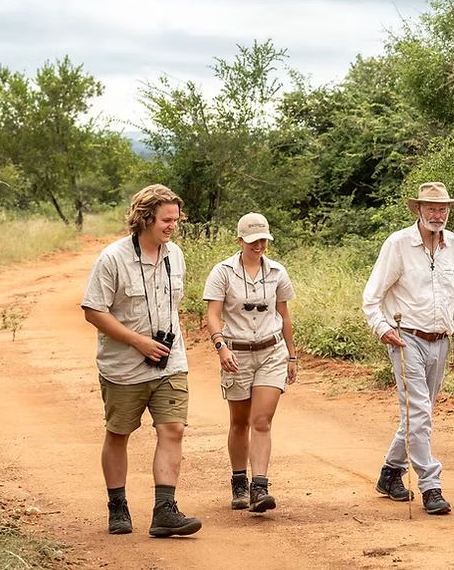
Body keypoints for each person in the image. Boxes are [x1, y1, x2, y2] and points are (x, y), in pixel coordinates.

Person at [80, 184, 202, 538]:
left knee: (173, 429)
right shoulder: (112, 258)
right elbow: (93, 311)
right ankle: (117, 505)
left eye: (176, 220)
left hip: (170, 361)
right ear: (146, 218)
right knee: (119, 433)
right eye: (166, 220)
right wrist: (138, 342)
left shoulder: (174, 255)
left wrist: (160, 345)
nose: (172, 227)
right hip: (123, 367)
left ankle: (165, 510)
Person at [362, 182, 454, 516]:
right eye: (431, 209)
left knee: (418, 414)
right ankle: (430, 485)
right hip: (406, 338)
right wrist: (382, 329)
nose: (438, 215)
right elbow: (371, 296)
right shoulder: (399, 244)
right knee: (419, 413)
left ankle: (390, 472)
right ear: (419, 211)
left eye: (443, 209)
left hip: (441, 339)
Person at [204, 213, 297, 513]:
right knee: (240, 422)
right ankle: (238, 481)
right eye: (253, 240)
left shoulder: (278, 272)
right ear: (240, 240)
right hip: (237, 352)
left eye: (263, 240)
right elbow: (213, 314)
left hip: (271, 352)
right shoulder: (223, 272)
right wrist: (220, 346)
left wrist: (292, 355)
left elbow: (284, 315)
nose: (259, 245)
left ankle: (260, 486)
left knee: (262, 420)